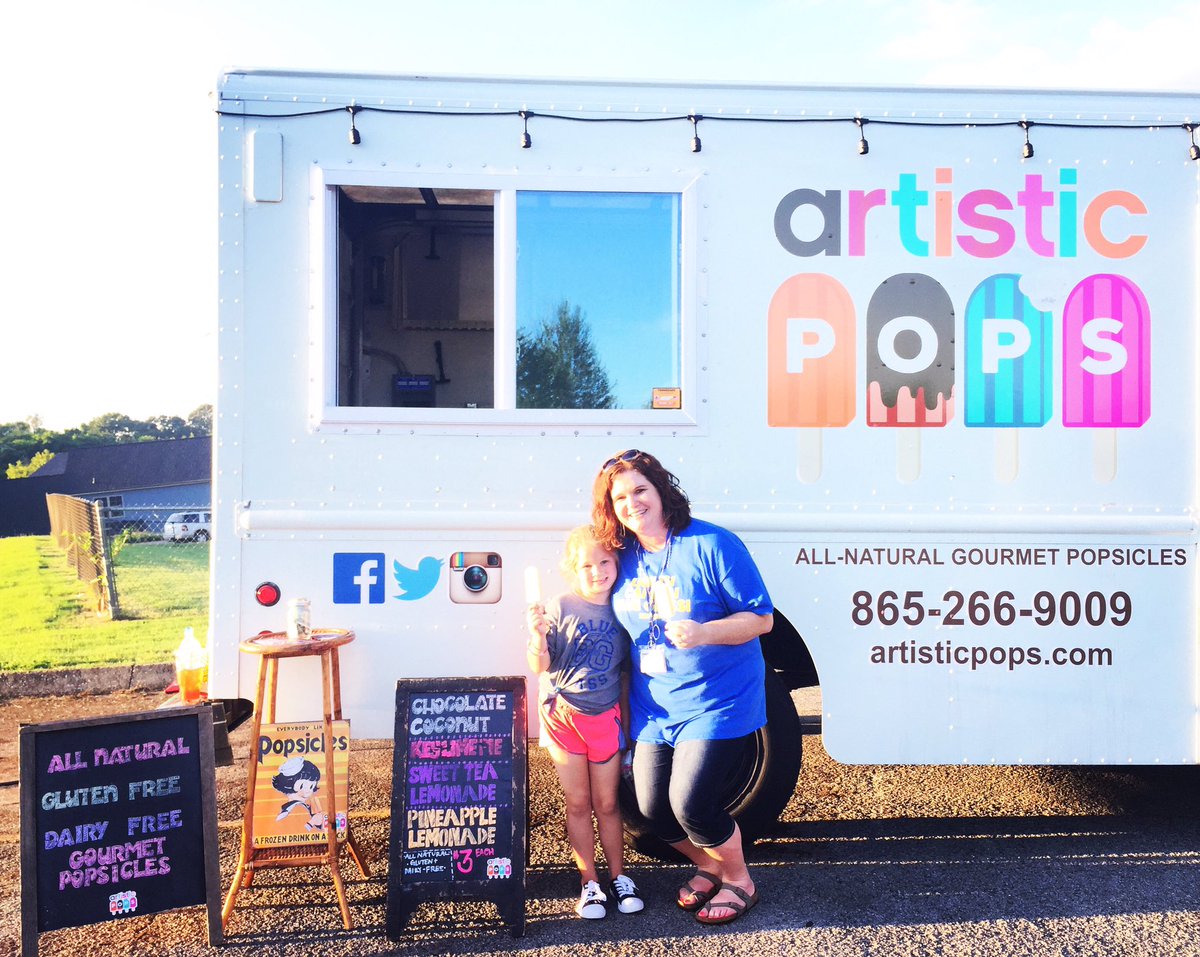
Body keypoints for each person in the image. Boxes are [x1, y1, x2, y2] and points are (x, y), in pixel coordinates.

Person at [591, 449, 774, 926]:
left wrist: (704, 632)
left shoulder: (712, 543)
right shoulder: (622, 557)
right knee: (652, 809)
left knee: (691, 804)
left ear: (661, 490)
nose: (632, 503)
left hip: (718, 699)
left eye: (640, 490)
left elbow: (761, 619)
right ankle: (710, 866)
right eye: (621, 497)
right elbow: (588, 593)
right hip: (656, 707)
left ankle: (740, 880)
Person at [525, 525, 644, 919]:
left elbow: (629, 672)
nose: (597, 571)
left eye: (604, 562)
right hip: (564, 717)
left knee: (608, 803)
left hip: (605, 719)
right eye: (586, 565)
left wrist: (627, 730)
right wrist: (537, 638)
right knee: (577, 802)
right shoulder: (559, 606)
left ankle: (619, 877)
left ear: (616, 563)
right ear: (572, 569)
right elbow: (539, 665)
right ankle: (588, 883)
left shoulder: (624, 606)